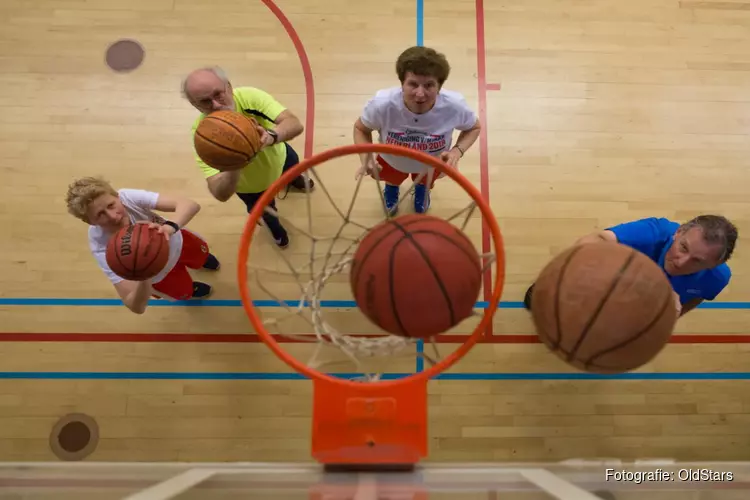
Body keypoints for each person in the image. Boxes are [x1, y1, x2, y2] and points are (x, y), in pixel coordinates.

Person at [181, 66, 313, 249]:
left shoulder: (249, 97)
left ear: (229, 86)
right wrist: (234, 162)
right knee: (267, 214)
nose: (216, 105)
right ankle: (277, 233)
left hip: (281, 157)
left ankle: (294, 180)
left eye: (218, 94)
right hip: (253, 188)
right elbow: (220, 194)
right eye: (205, 102)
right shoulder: (202, 137)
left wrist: (270, 137)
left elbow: (294, 124)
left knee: (293, 168)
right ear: (195, 105)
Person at [523, 215, 738, 317]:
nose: (682, 262)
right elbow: (593, 241)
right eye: (683, 247)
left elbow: (698, 296)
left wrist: (672, 316)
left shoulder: (717, 278)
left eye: (698, 261)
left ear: (715, 264)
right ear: (678, 232)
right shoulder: (653, 233)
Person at [353, 46, 482, 214]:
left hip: (431, 164)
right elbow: (361, 128)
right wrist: (366, 157)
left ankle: (422, 191)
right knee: (392, 180)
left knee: (424, 183)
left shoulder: (454, 106)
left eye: (429, 85)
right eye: (413, 84)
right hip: (391, 161)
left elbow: (474, 127)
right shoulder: (382, 104)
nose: (420, 94)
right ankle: (391, 190)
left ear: (439, 86)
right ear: (402, 83)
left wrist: (457, 151)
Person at [65, 177, 221, 314]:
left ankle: (202, 261)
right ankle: (190, 289)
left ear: (117, 197)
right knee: (184, 291)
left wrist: (169, 228)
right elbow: (135, 306)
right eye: (100, 214)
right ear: (90, 222)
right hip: (161, 277)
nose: (113, 216)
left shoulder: (128, 197)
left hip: (179, 242)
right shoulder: (100, 246)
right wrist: (143, 275)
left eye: (111, 205)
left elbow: (190, 205)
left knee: (201, 256)